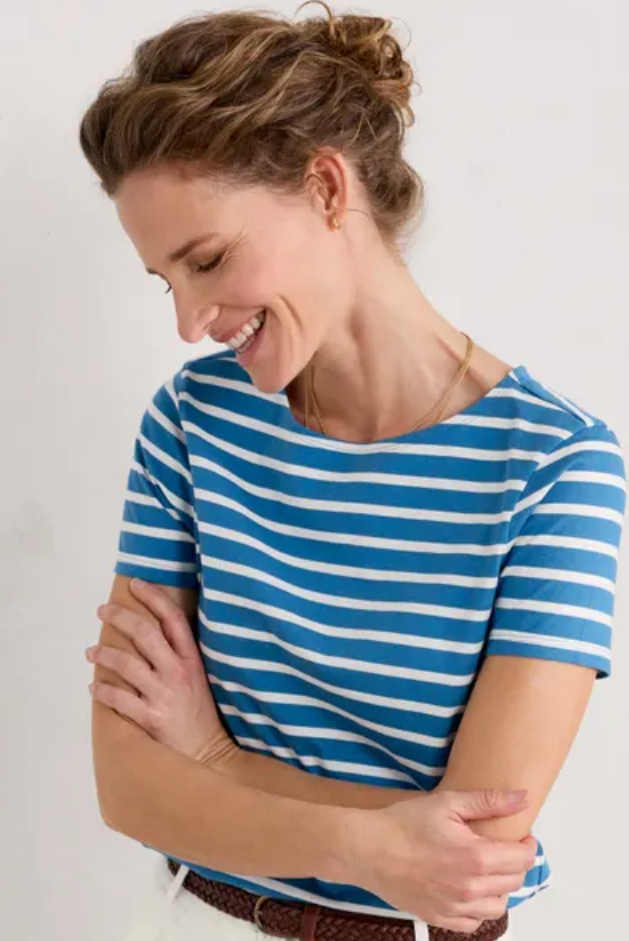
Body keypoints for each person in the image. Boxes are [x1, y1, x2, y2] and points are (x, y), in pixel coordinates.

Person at [79, 4, 626, 941]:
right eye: (168, 280)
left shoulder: (554, 467)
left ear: (328, 188)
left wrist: (213, 756)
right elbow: (127, 787)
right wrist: (376, 843)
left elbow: (472, 854)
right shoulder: (193, 422)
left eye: (208, 260)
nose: (189, 321)